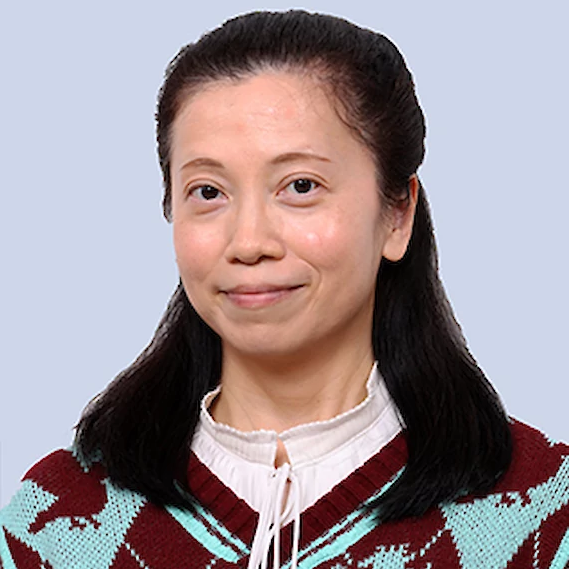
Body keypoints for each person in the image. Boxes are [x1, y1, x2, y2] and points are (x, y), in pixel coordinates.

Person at [0, 10, 567, 569]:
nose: (249, 242)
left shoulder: (540, 519)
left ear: (398, 214)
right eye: (208, 192)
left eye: (300, 186)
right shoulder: (54, 526)